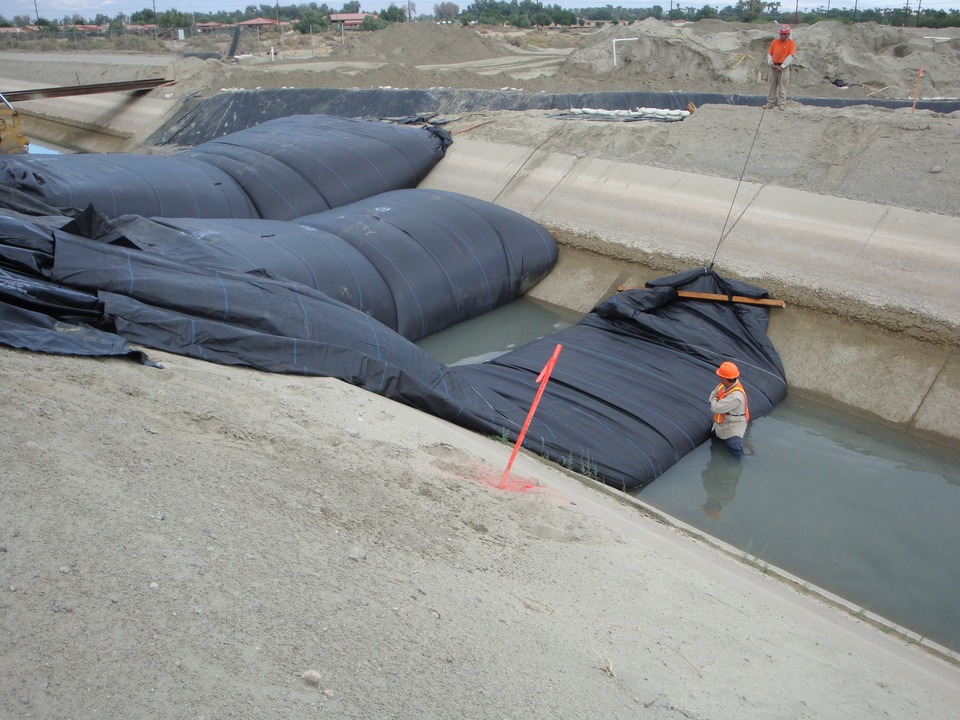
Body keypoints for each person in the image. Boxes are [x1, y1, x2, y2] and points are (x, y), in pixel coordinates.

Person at [708, 361, 750, 457]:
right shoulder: (724, 385)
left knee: (734, 456)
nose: (718, 377)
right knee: (715, 445)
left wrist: (715, 399)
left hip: (732, 430)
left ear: (725, 378)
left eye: (720, 376)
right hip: (720, 425)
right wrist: (714, 399)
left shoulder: (735, 396)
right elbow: (712, 395)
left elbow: (715, 407)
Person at [765, 24, 796, 110]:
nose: (782, 35)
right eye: (781, 34)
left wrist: (782, 66)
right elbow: (769, 53)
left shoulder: (791, 44)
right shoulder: (775, 42)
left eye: (784, 34)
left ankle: (782, 103)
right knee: (772, 86)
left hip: (783, 68)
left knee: (782, 86)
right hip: (774, 66)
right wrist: (771, 63)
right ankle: (770, 102)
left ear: (788, 34)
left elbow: (791, 56)